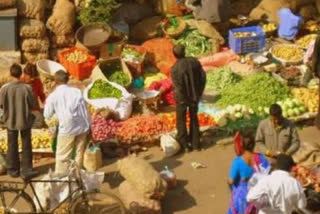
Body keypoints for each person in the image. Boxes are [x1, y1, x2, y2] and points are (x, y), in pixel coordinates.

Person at [44, 71, 90, 175]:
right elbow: (84, 110)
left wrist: (56, 115)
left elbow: (47, 114)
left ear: (55, 82)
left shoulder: (53, 96)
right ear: (67, 80)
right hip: (81, 126)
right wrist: (88, 125)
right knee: (79, 153)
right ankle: (77, 177)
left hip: (67, 128)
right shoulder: (77, 92)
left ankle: (62, 179)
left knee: (62, 156)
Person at [0, 63, 38, 178]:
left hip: (10, 121)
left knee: (12, 145)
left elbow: (1, 105)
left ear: (11, 74)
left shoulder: (4, 89)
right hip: (25, 121)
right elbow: (33, 104)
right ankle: (27, 170)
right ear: (21, 74)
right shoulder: (27, 88)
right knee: (26, 145)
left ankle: (13, 170)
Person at [171, 44, 206, 152]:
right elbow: (203, 77)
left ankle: (184, 145)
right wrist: (199, 92)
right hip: (194, 96)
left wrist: (180, 96)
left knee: (181, 120)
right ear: (185, 52)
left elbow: (178, 86)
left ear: (174, 55)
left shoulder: (175, 68)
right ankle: (196, 144)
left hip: (182, 98)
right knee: (193, 118)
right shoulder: (194, 62)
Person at [228, 131, 270, 214]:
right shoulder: (261, 158)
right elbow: (268, 174)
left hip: (242, 196)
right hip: (258, 194)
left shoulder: (237, 162)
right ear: (254, 144)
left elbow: (231, 181)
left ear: (241, 145)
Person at [21, 63, 46, 128]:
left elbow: (41, 95)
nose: (32, 79)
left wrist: (47, 104)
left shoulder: (37, 81)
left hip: (34, 110)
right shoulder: (20, 82)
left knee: (40, 121)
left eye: (33, 77)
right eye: (30, 77)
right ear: (24, 74)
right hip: (21, 110)